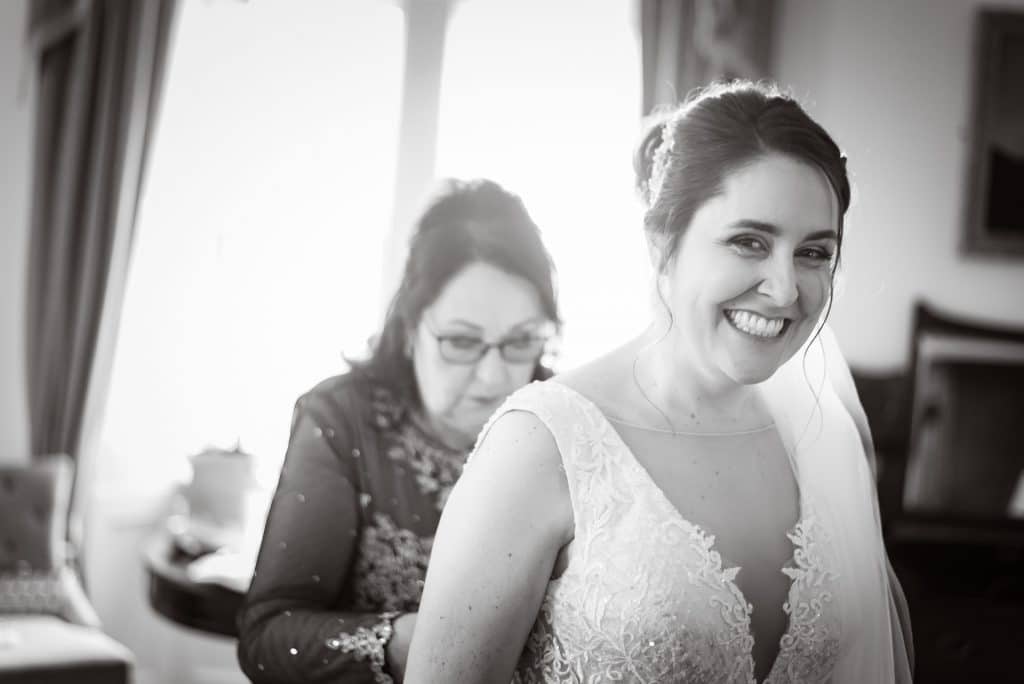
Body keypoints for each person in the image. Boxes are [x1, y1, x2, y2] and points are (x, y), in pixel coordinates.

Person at [405, 81, 914, 683]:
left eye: (813, 253)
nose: (784, 289)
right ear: (661, 243)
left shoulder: (822, 439)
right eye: (749, 242)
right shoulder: (543, 446)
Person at [236, 178, 560, 683]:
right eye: (460, 341)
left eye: (521, 341)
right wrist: (410, 644)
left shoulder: (565, 425)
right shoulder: (343, 421)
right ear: (410, 330)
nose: (495, 376)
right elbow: (268, 637)